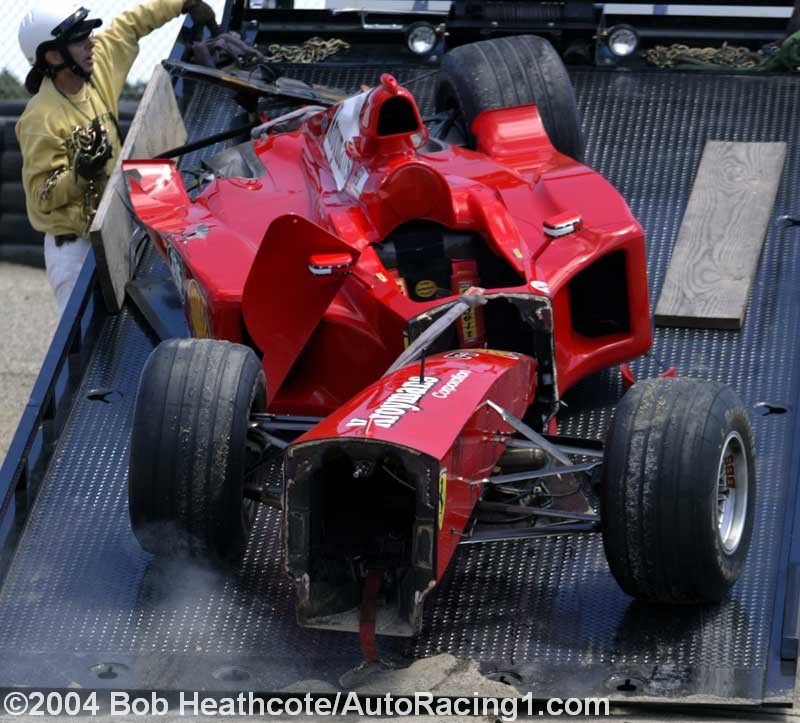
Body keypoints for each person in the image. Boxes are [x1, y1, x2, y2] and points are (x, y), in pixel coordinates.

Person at [16, 0, 218, 315]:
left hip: (115, 227)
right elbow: (42, 197)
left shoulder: (96, 71)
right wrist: (81, 174)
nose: (91, 44)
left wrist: (181, 3)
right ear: (54, 55)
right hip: (75, 250)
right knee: (83, 344)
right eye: (79, 38)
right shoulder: (39, 119)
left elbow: (130, 24)